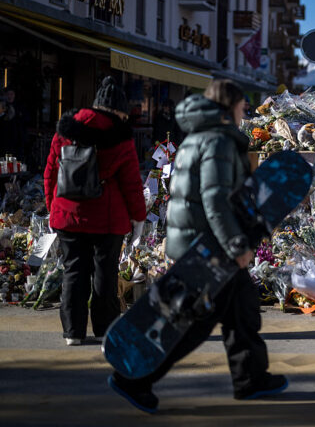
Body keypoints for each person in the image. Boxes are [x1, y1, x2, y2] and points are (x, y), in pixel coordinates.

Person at [107, 79, 287, 414]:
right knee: (193, 322)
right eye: (241, 105)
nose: (244, 111)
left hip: (200, 242)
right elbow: (215, 199)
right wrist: (236, 243)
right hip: (207, 247)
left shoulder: (197, 135)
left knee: (242, 306)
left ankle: (251, 378)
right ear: (227, 106)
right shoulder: (217, 140)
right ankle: (133, 379)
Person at [44, 76, 146, 346]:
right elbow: (132, 183)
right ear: (116, 109)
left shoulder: (65, 129)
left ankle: (72, 333)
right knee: (104, 274)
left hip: (67, 213)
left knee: (73, 272)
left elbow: (51, 172)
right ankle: (104, 330)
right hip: (108, 218)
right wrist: (139, 218)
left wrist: (52, 207)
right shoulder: (121, 137)